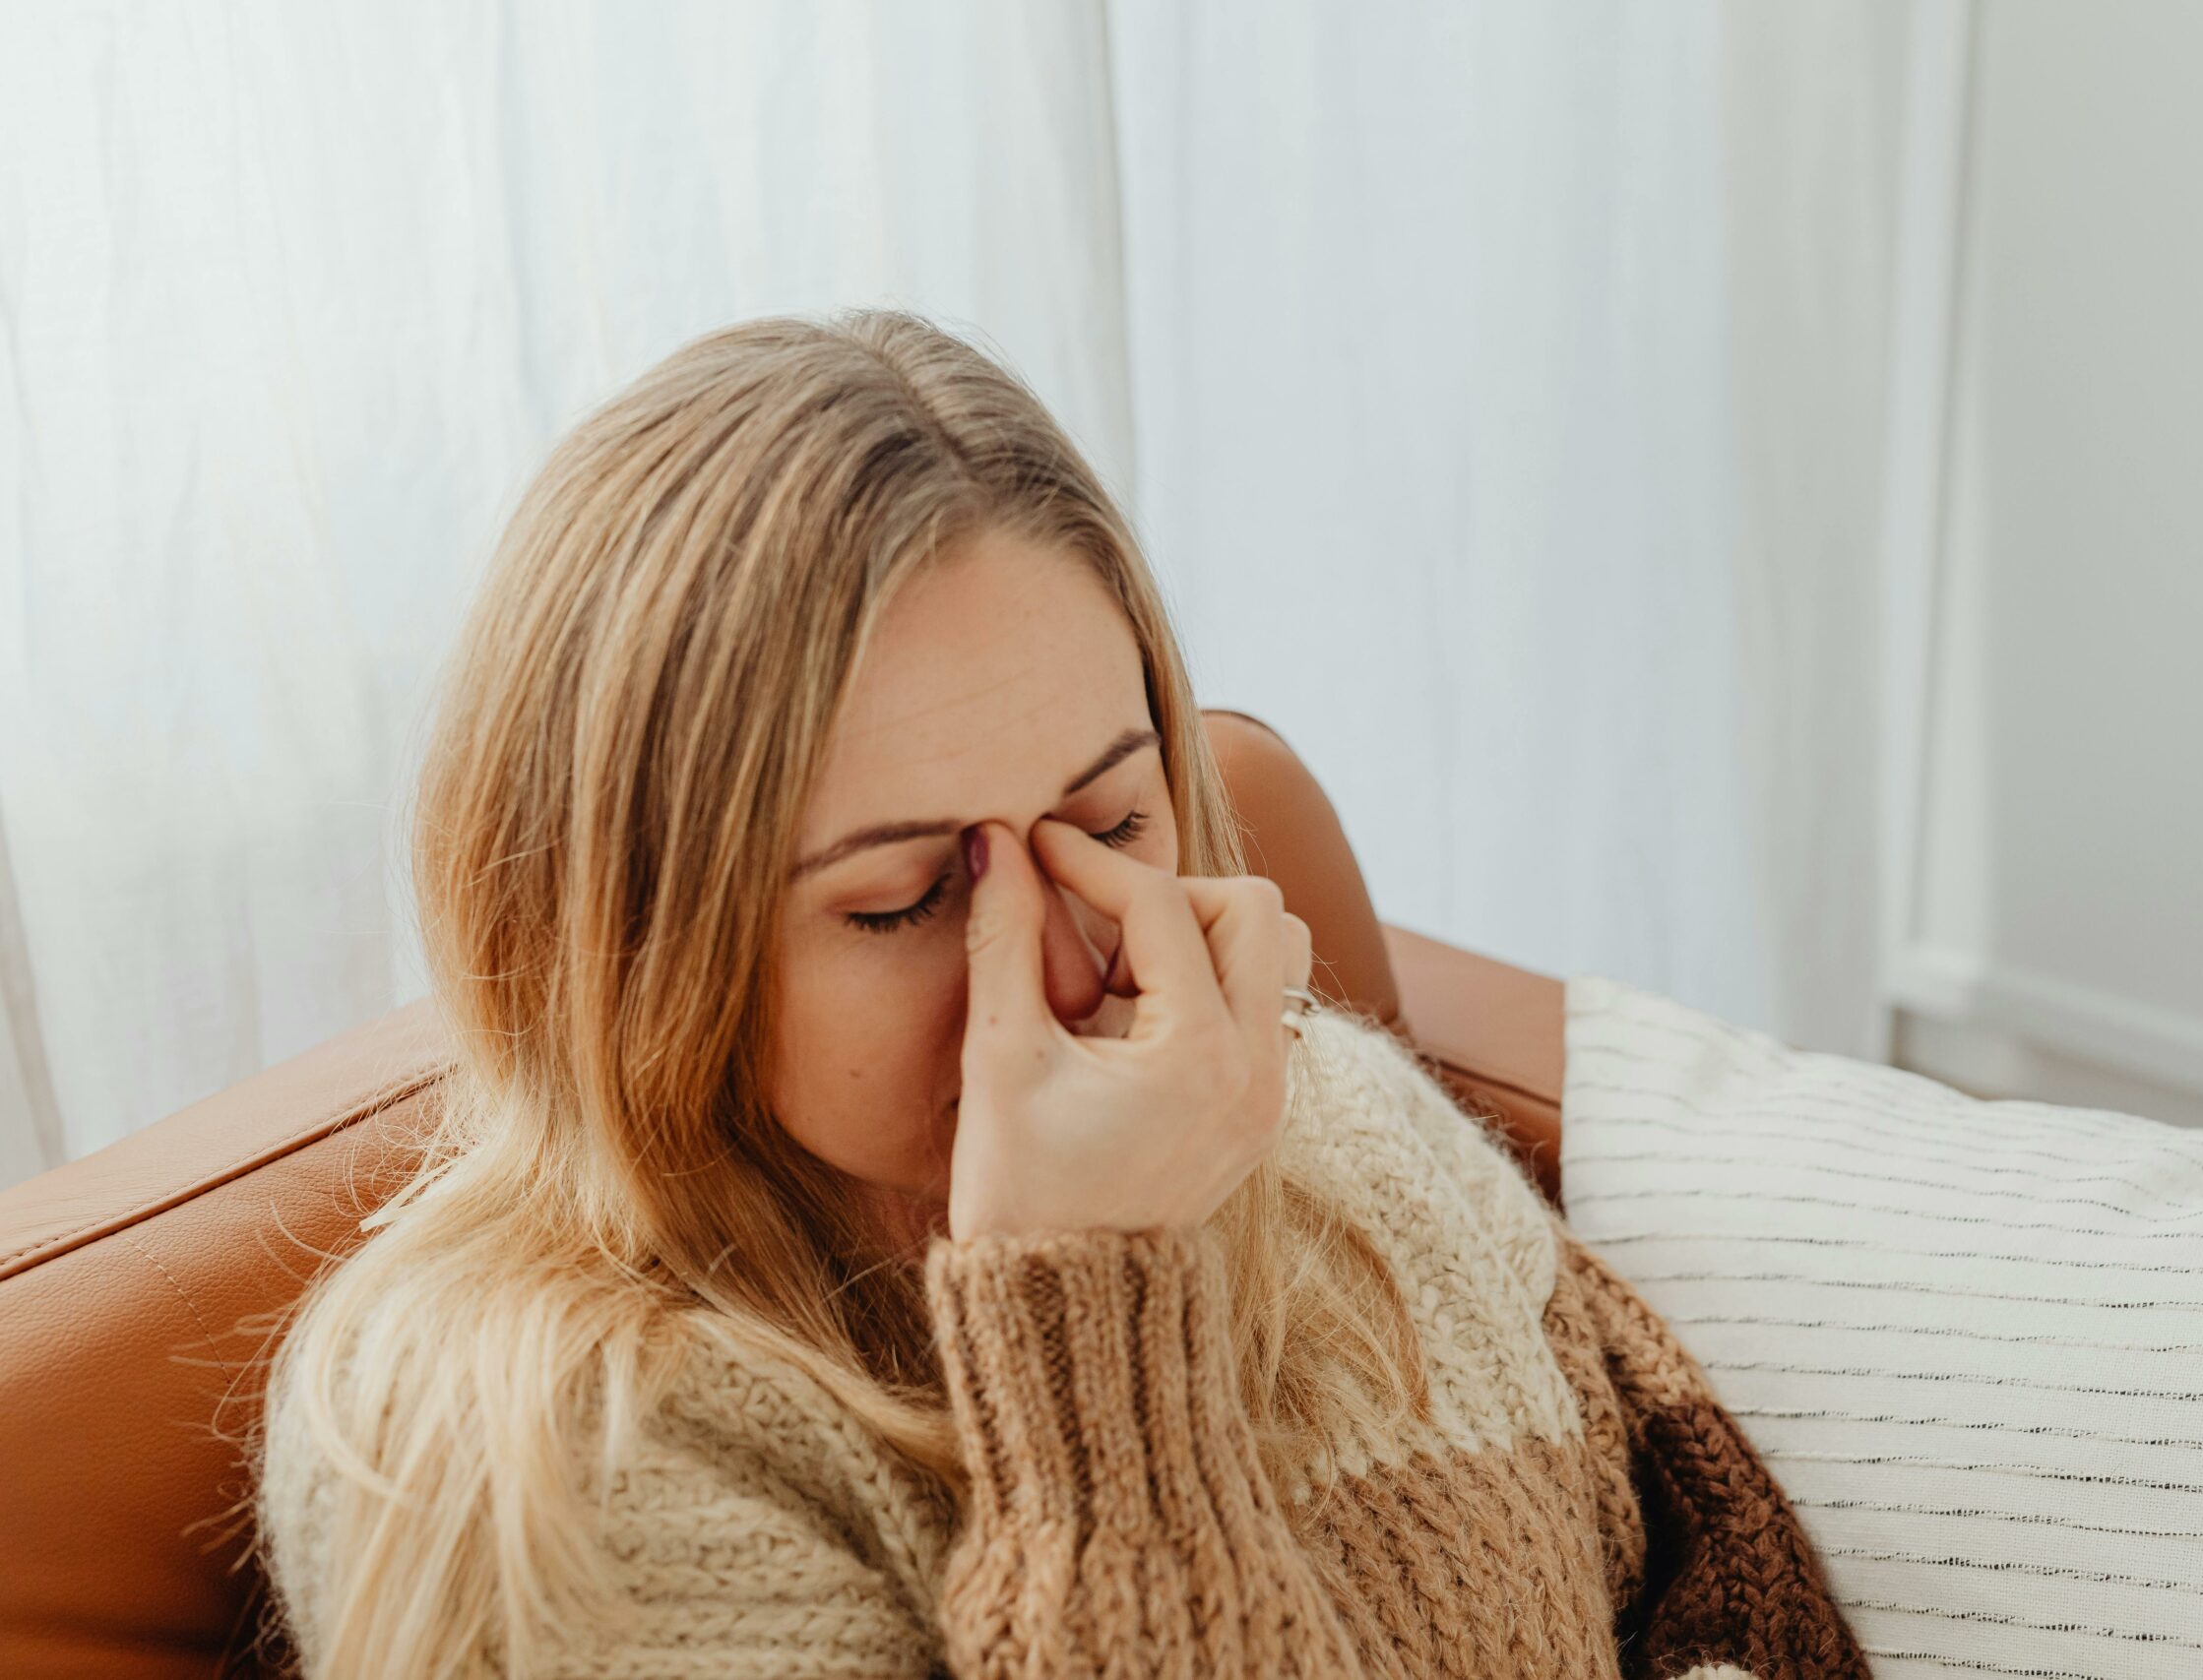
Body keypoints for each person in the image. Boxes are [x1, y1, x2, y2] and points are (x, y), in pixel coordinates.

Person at [251, 308, 1867, 1679]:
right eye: (904, 899)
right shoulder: (521, 1463)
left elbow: (1711, 1551)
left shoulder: (1333, 1119)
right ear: (631, 946)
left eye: (1109, 825)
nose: (1070, 962)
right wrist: (1089, 1311)